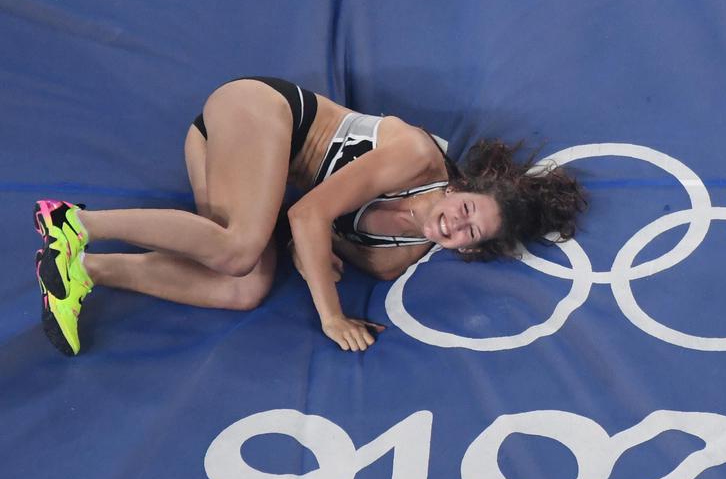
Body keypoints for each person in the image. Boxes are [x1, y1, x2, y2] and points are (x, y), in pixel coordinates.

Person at [33, 77, 586, 355]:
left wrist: (307, 246)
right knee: (241, 247)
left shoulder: (389, 261)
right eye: (465, 210)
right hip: (258, 110)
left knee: (243, 286)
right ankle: (74, 223)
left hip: (224, 157)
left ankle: (87, 270)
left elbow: (306, 237)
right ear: (460, 187)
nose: (455, 224)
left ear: (467, 249)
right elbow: (307, 216)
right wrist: (331, 315)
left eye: (469, 233)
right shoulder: (416, 154)